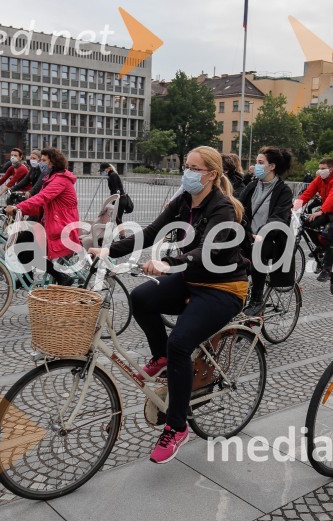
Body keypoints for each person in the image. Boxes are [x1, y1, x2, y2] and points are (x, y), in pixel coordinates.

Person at [89, 146, 249, 464]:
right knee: (141, 298)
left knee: (181, 343)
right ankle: (160, 356)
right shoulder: (184, 201)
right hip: (191, 278)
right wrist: (109, 249)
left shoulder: (223, 209)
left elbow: (210, 251)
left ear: (212, 174)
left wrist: (168, 263)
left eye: (193, 167)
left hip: (224, 287)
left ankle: (177, 427)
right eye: (185, 166)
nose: (186, 172)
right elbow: (150, 232)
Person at [5, 147, 78, 287]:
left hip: (62, 225)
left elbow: (41, 197)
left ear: (53, 162)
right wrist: (20, 208)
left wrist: (18, 207)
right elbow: (39, 204)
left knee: (27, 250)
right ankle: (27, 276)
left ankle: (61, 277)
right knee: (20, 241)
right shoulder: (51, 178)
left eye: (44, 160)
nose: (40, 163)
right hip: (50, 222)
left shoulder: (61, 180)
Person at [239, 147, 294, 316]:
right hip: (249, 235)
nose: (256, 166)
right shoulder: (252, 186)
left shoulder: (283, 190)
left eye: (260, 163)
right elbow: (238, 208)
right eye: (256, 162)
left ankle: (257, 300)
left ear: (272, 167)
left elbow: (279, 217)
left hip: (271, 238)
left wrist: (262, 233)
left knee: (258, 251)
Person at [292, 158, 333, 281]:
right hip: (328, 209)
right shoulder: (320, 179)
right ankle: (320, 247)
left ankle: (327, 269)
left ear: (330, 169)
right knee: (306, 223)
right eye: (319, 168)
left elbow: (332, 196)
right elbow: (308, 192)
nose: (320, 171)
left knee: (332, 238)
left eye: (322, 169)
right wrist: (296, 205)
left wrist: (321, 210)